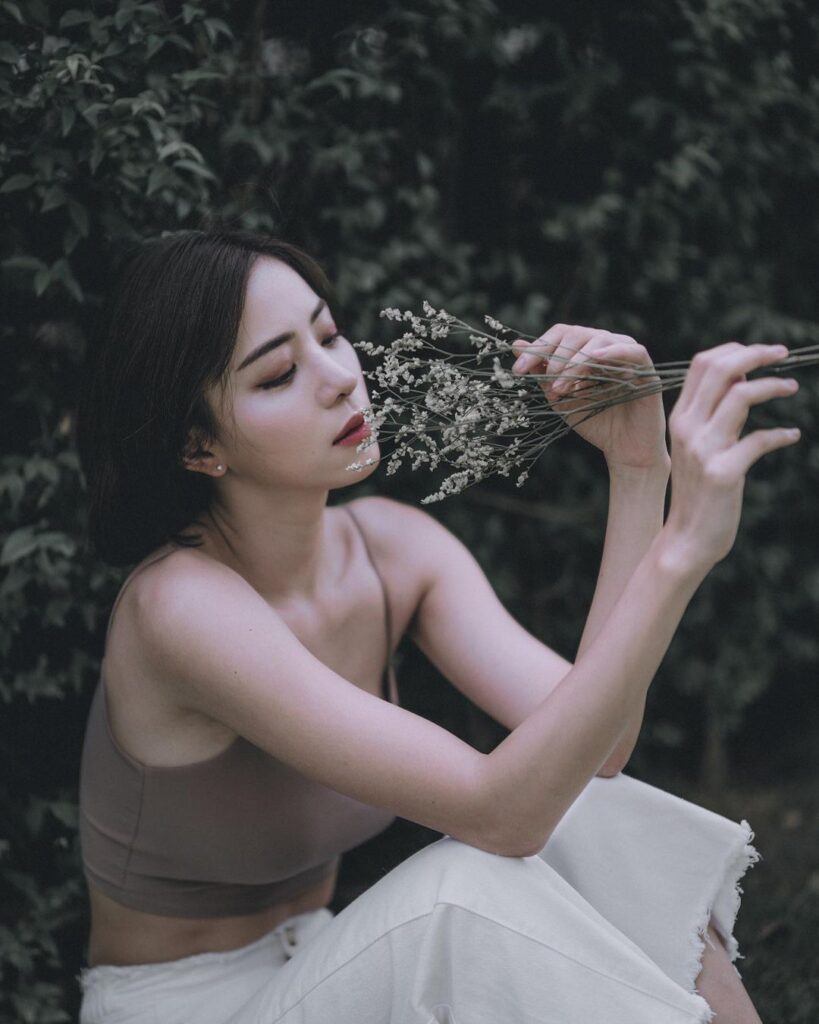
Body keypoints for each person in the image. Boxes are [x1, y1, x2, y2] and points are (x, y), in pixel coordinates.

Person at [74, 227, 799, 1023]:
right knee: (457, 893)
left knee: (586, 808)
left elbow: (599, 748)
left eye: (328, 335)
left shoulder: (390, 550)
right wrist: (679, 552)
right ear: (197, 445)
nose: (339, 380)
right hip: (189, 1009)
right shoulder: (180, 608)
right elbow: (501, 812)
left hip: (322, 960)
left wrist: (637, 470)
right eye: (278, 374)